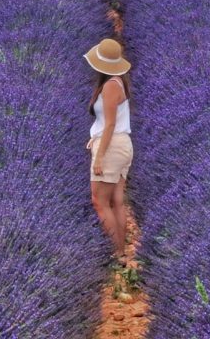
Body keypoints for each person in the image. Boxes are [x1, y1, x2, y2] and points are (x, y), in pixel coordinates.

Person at [85, 37, 133, 264]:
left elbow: (110, 124)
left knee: (99, 201)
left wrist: (100, 156)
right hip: (120, 144)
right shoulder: (117, 82)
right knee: (116, 200)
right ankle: (121, 252)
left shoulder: (111, 86)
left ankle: (117, 254)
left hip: (112, 147)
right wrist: (94, 139)